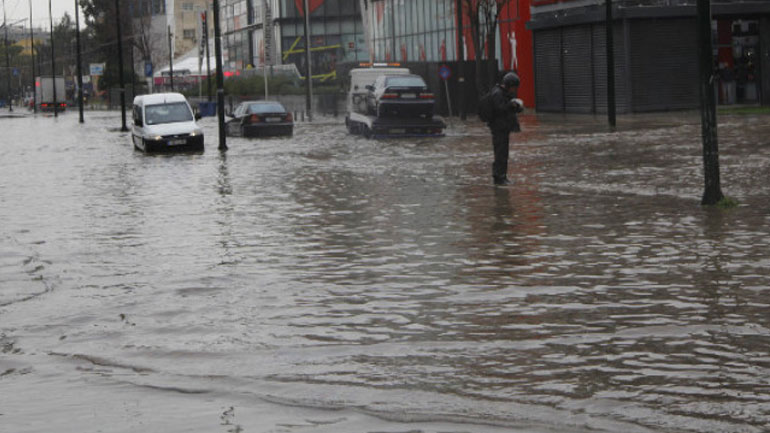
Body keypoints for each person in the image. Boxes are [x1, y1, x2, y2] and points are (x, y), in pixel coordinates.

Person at [488, 72, 523, 185]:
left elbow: (508, 109)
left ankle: (502, 176)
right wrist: (510, 105)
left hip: (504, 128)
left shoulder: (505, 93)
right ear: (509, 84)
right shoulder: (498, 93)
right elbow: (500, 109)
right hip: (499, 128)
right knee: (500, 153)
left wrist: (517, 107)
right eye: (514, 87)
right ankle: (499, 177)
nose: (514, 90)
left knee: (503, 153)